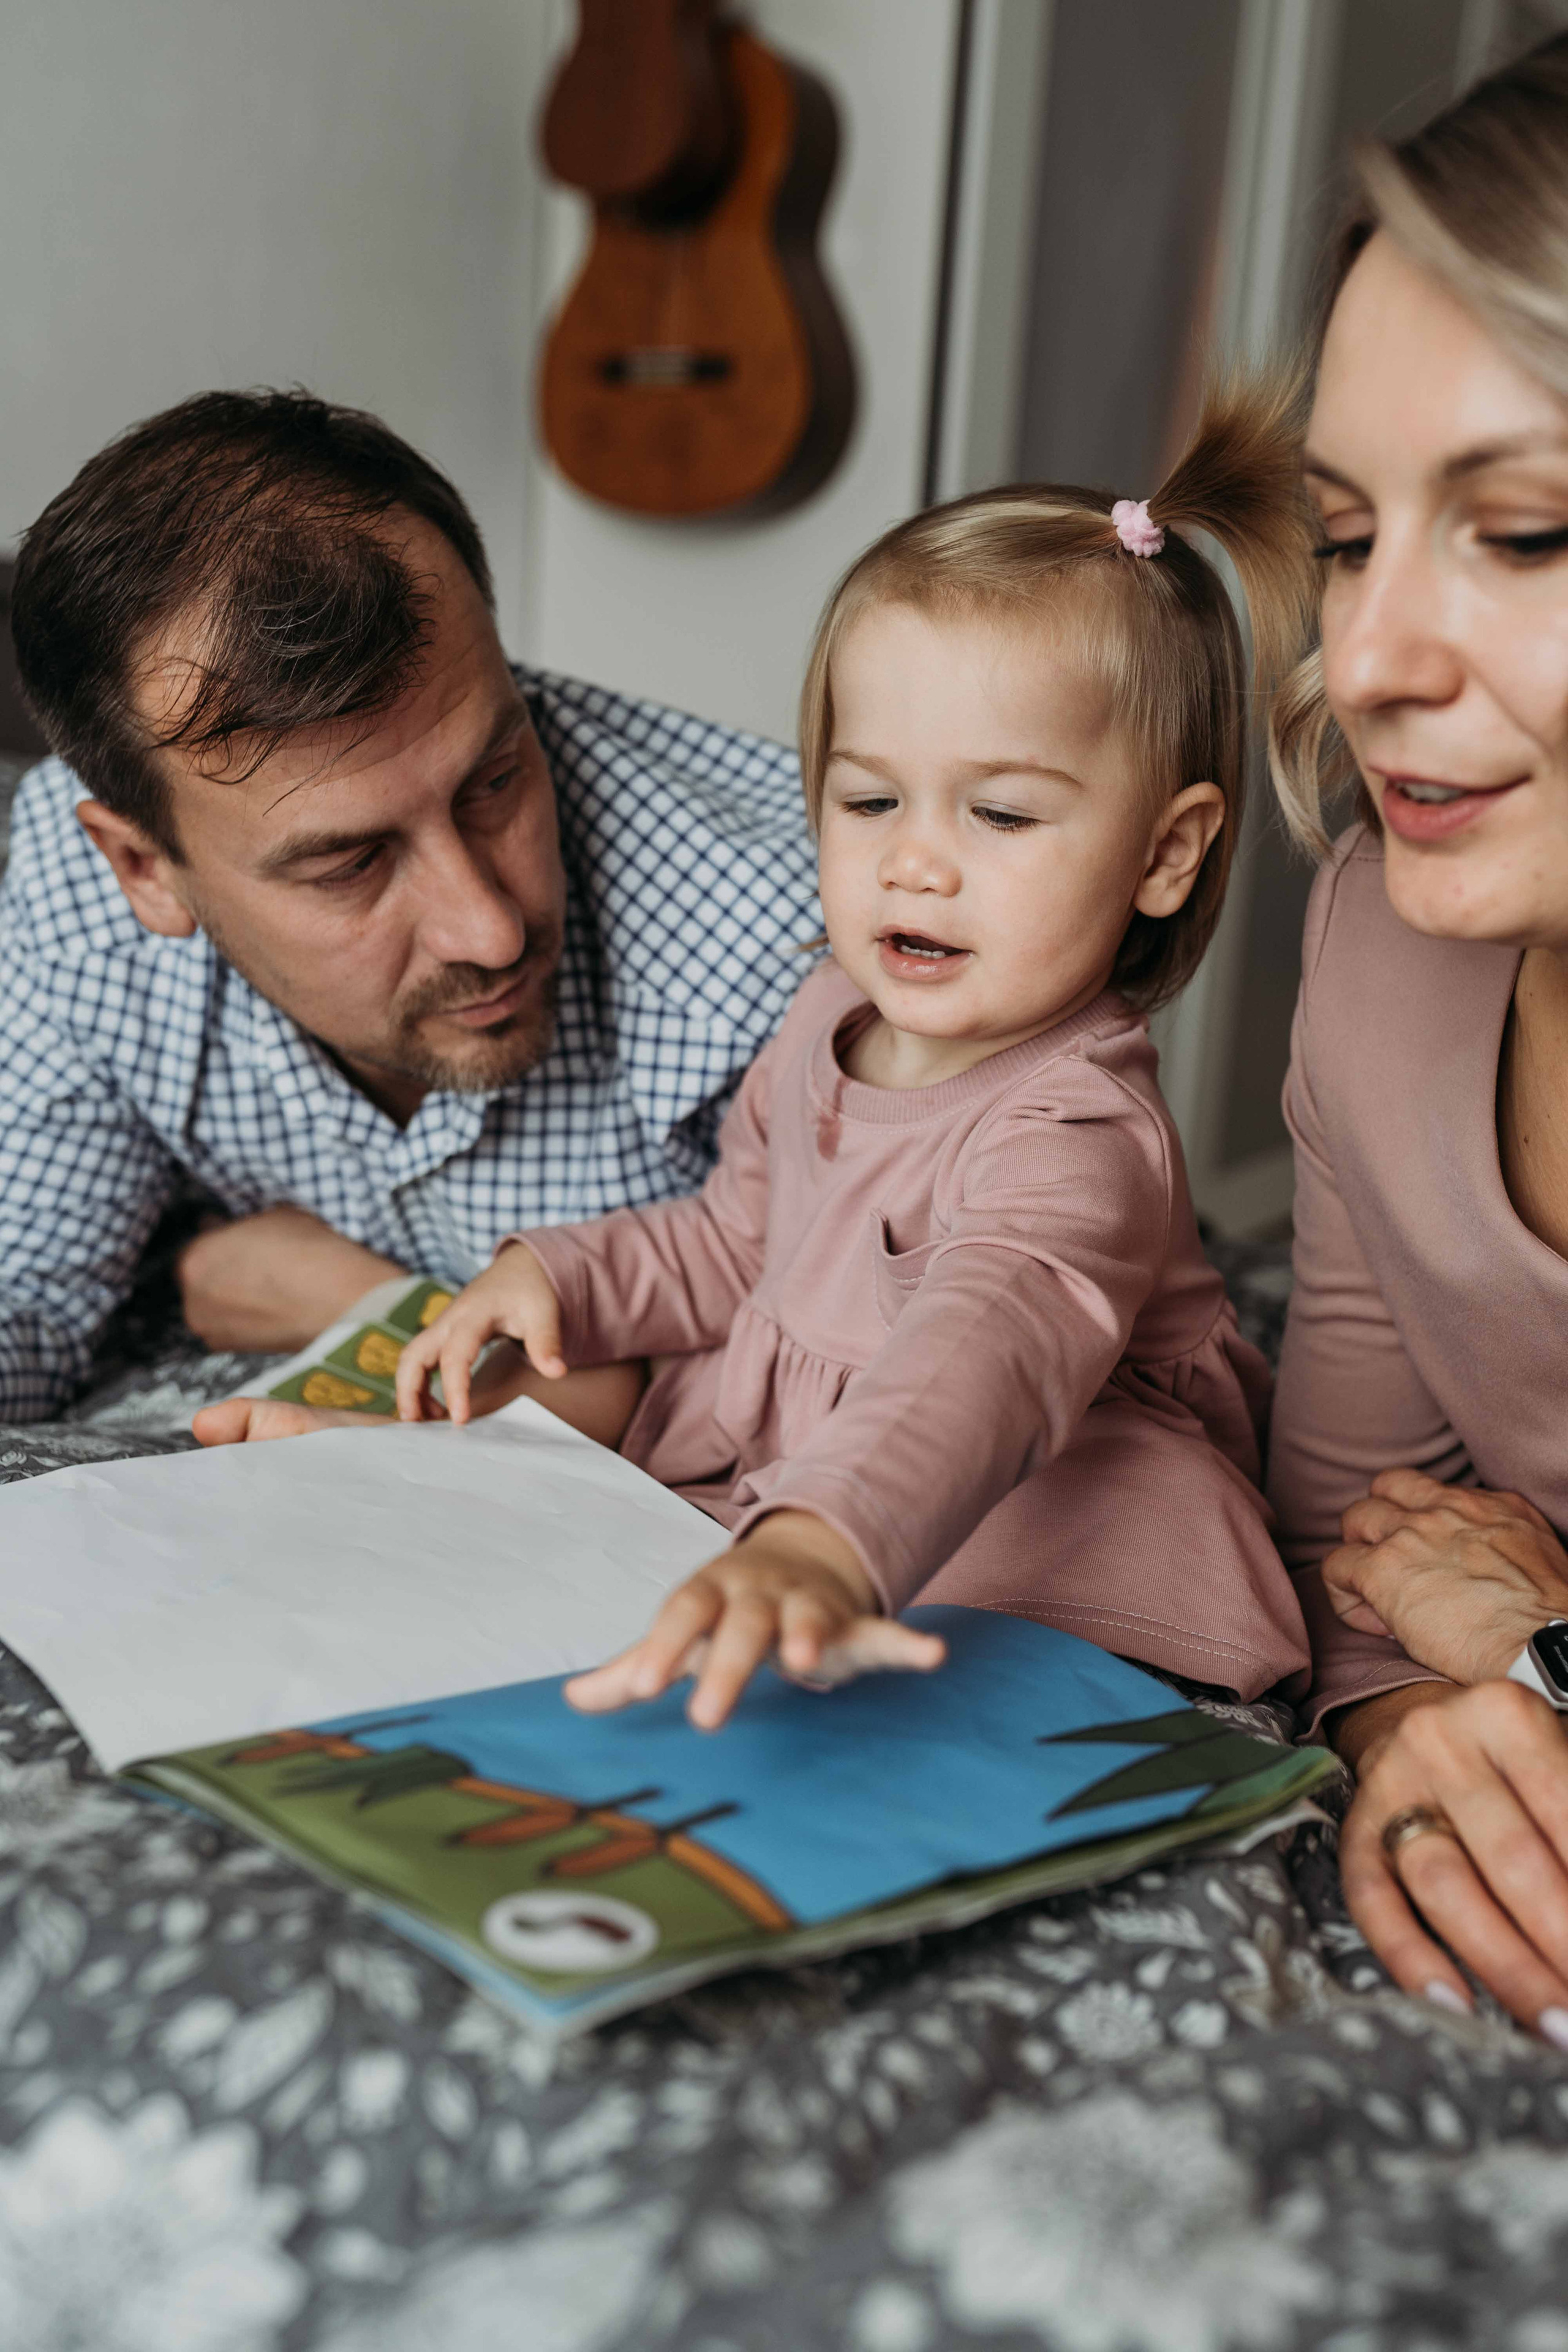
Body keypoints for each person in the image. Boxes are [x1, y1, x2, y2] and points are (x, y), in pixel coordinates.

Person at [209, 380, 1316, 1733]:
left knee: (870, 1597)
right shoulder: (817, 1022)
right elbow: (735, 1244)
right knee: (612, 1401)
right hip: (796, 1467)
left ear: (1163, 854)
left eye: (1002, 814)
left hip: (1010, 1489)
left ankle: (633, 1537)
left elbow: (984, 1354)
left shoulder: (1077, 1128)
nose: (914, 858)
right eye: (867, 799)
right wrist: (555, 1271)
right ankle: (449, 1483)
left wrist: (828, 1536)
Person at [0, 391, 818, 1422]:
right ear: (144, 868)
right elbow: (27, 1293)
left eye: (494, 780)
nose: (493, 928)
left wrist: (350, 1301)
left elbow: (863, 1402)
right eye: (349, 863)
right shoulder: (75, 889)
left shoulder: (801, 940)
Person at [1266, 32, 1568, 2039]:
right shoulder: (1383, 946)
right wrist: (1416, 1737)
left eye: (1529, 531)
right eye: (1350, 535)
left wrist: (1543, 1649)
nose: (1364, 662)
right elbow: (1350, 1534)